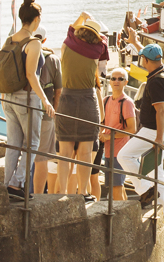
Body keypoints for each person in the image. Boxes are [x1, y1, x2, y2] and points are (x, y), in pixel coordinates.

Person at [1, 0, 55, 201]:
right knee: (32, 143)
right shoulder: (33, 43)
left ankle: (8, 183)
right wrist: (46, 101)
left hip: (9, 97)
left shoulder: (11, 39)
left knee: (14, 143)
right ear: (36, 20)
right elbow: (32, 75)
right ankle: (17, 183)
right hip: (26, 98)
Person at [117, 43, 164, 217]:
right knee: (157, 171)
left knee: (124, 156)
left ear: (146, 60)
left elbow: (160, 110)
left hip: (152, 131)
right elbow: (152, 54)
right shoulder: (163, 71)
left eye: (142, 57)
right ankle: (163, 212)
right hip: (160, 131)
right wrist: (136, 41)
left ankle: (145, 189)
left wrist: (158, 138)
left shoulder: (156, 82)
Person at [56, 12, 108, 202]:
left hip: (67, 100)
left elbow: (71, 30)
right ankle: (83, 193)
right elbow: (102, 44)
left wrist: (81, 17)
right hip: (88, 101)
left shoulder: (65, 46)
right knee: (86, 152)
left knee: (65, 152)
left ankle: (62, 192)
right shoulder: (97, 51)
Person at [32, 26, 63, 195]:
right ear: (44, 40)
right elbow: (58, 91)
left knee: (24, 153)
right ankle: (36, 195)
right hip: (45, 113)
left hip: (24, 110)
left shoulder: (23, 53)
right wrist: (54, 115)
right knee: (41, 158)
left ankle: (16, 188)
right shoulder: (52, 59)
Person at [99, 67, 136, 201]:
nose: (116, 81)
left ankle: (119, 220)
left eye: (120, 79)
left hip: (120, 152)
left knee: (116, 189)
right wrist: (101, 134)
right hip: (108, 151)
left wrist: (109, 136)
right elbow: (102, 122)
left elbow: (132, 129)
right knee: (117, 187)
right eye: (113, 78)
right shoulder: (106, 100)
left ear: (126, 82)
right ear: (109, 81)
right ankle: (128, 218)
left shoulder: (127, 103)